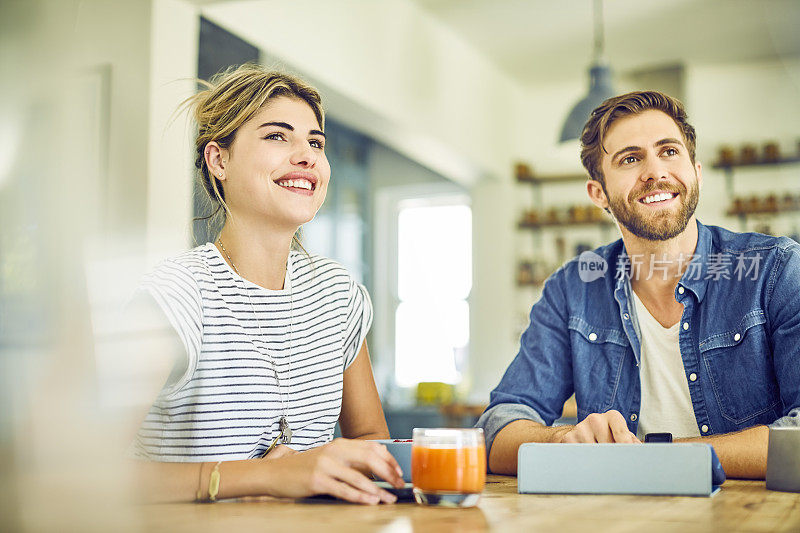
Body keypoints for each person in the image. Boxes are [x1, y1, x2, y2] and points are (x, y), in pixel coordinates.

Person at [477, 91, 800, 479]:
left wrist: (652, 458)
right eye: (630, 159)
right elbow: (497, 426)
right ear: (599, 194)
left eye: (668, 152)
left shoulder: (775, 270)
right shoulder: (571, 288)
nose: (655, 172)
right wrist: (563, 442)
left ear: (696, 172)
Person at [129, 64, 403, 503]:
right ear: (219, 160)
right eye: (277, 136)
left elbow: (370, 438)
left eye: (315, 142)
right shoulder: (177, 296)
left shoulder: (337, 294)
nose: (307, 155)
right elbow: (82, 473)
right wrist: (266, 476)